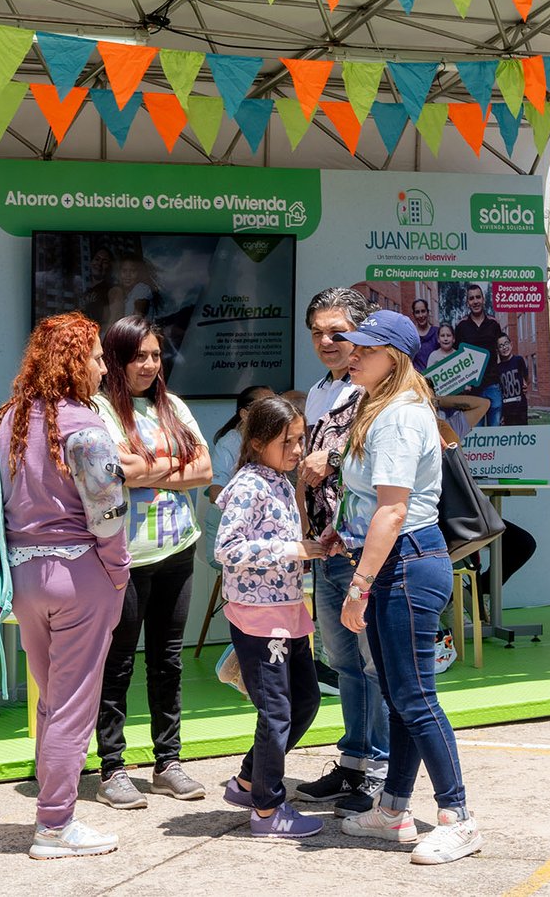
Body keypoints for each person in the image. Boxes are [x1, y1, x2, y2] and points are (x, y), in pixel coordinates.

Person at [330, 310, 482, 866]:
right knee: (400, 697)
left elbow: (393, 511)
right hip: (400, 560)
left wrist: (359, 585)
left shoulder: (397, 416)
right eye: (353, 346)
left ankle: (458, 818)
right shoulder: (387, 407)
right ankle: (393, 809)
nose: (352, 355)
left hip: (406, 563)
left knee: (416, 699)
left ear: (393, 357)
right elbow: (374, 501)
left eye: (364, 349)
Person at [0, 313, 131, 859]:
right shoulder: (86, 428)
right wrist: (118, 572)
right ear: (74, 362)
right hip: (80, 575)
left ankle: (53, 813)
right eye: (97, 357)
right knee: (74, 706)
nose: (104, 368)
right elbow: (108, 516)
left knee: (53, 700)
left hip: (24, 575)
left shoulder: (9, 420)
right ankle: (55, 825)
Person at [91, 315, 212, 808]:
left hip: (177, 549)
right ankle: (112, 768)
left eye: (155, 355)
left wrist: (149, 472)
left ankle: (168, 763)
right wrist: (172, 469)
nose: (148, 365)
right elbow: (117, 471)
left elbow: (204, 468)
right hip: (124, 556)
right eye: (138, 356)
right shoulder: (98, 408)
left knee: (168, 661)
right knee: (117, 663)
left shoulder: (173, 406)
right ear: (116, 359)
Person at [293, 287, 390, 817]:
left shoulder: (381, 387)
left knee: (375, 664)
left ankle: (382, 772)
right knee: (344, 662)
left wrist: (332, 456)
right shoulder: (318, 391)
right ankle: (354, 762)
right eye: (317, 333)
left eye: (338, 332)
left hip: (366, 546)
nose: (326, 342)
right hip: (328, 545)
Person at [213, 396, 323, 838]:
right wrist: (291, 549)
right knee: (276, 712)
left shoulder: (278, 479)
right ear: (258, 442)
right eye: (287, 442)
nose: (297, 450)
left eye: (300, 440)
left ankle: (248, 781)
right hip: (261, 619)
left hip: (286, 613)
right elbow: (227, 549)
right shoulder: (249, 485)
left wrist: (313, 547)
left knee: (305, 701)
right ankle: (266, 809)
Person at [202, 385, 275, 564]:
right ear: (244, 414)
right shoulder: (230, 443)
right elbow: (215, 493)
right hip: (231, 533)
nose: (272, 413)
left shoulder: (277, 442)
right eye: (265, 407)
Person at [454, 285, 504, 426]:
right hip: (472, 388)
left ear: (483, 299)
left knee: (495, 432)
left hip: (493, 384)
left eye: (478, 297)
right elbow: (457, 357)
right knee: (477, 433)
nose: (475, 301)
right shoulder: (461, 326)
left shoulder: (494, 324)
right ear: (467, 302)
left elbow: (502, 352)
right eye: (471, 298)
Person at [495, 333, 532, 427]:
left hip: (520, 405)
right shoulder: (498, 368)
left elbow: (527, 378)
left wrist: (525, 385)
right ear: (498, 350)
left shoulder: (519, 360)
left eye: (506, 343)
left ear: (511, 344)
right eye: (501, 346)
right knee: (509, 432)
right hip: (506, 407)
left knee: (522, 431)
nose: (504, 347)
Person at [410, 299, 440, 369]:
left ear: (428, 312)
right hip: (417, 375)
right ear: (413, 314)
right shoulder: (410, 335)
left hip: (436, 374)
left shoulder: (437, 333)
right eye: (417, 312)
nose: (421, 315)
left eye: (423, 311)